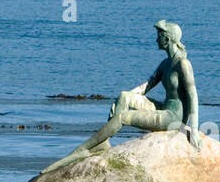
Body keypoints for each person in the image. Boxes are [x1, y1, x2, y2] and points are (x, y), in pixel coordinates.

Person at [43, 19, 201, 172]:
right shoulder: (165, 64)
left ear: (167, 38)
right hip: (163, 108)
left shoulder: (183, 64)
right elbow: (145, 87)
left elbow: (193, 96)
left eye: (158, 35)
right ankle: (103, 142)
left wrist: (193, 130)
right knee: (124, 96)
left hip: (173, 118)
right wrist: (121, 101)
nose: (156, 39)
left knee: (123, 118)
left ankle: (82, 149)